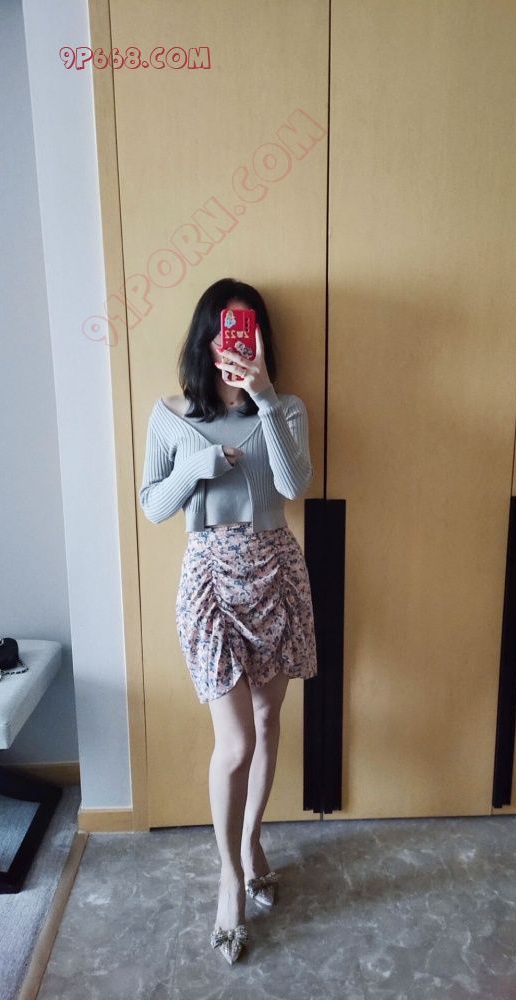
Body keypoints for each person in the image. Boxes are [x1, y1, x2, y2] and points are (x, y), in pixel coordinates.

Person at [139, 277, 318, 965]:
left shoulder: (287, 407)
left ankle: (251, 842)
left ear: (262, 339)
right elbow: (154, 506)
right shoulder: (170, 417)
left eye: (245, 329)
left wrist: (265, 395)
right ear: (203, 335)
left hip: (277, 572)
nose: (231, 342)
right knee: (236, 742)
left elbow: (294, 485)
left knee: (270, 725)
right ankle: (228, 878)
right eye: (222, 328)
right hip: (209, 580)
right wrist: (196, 466)